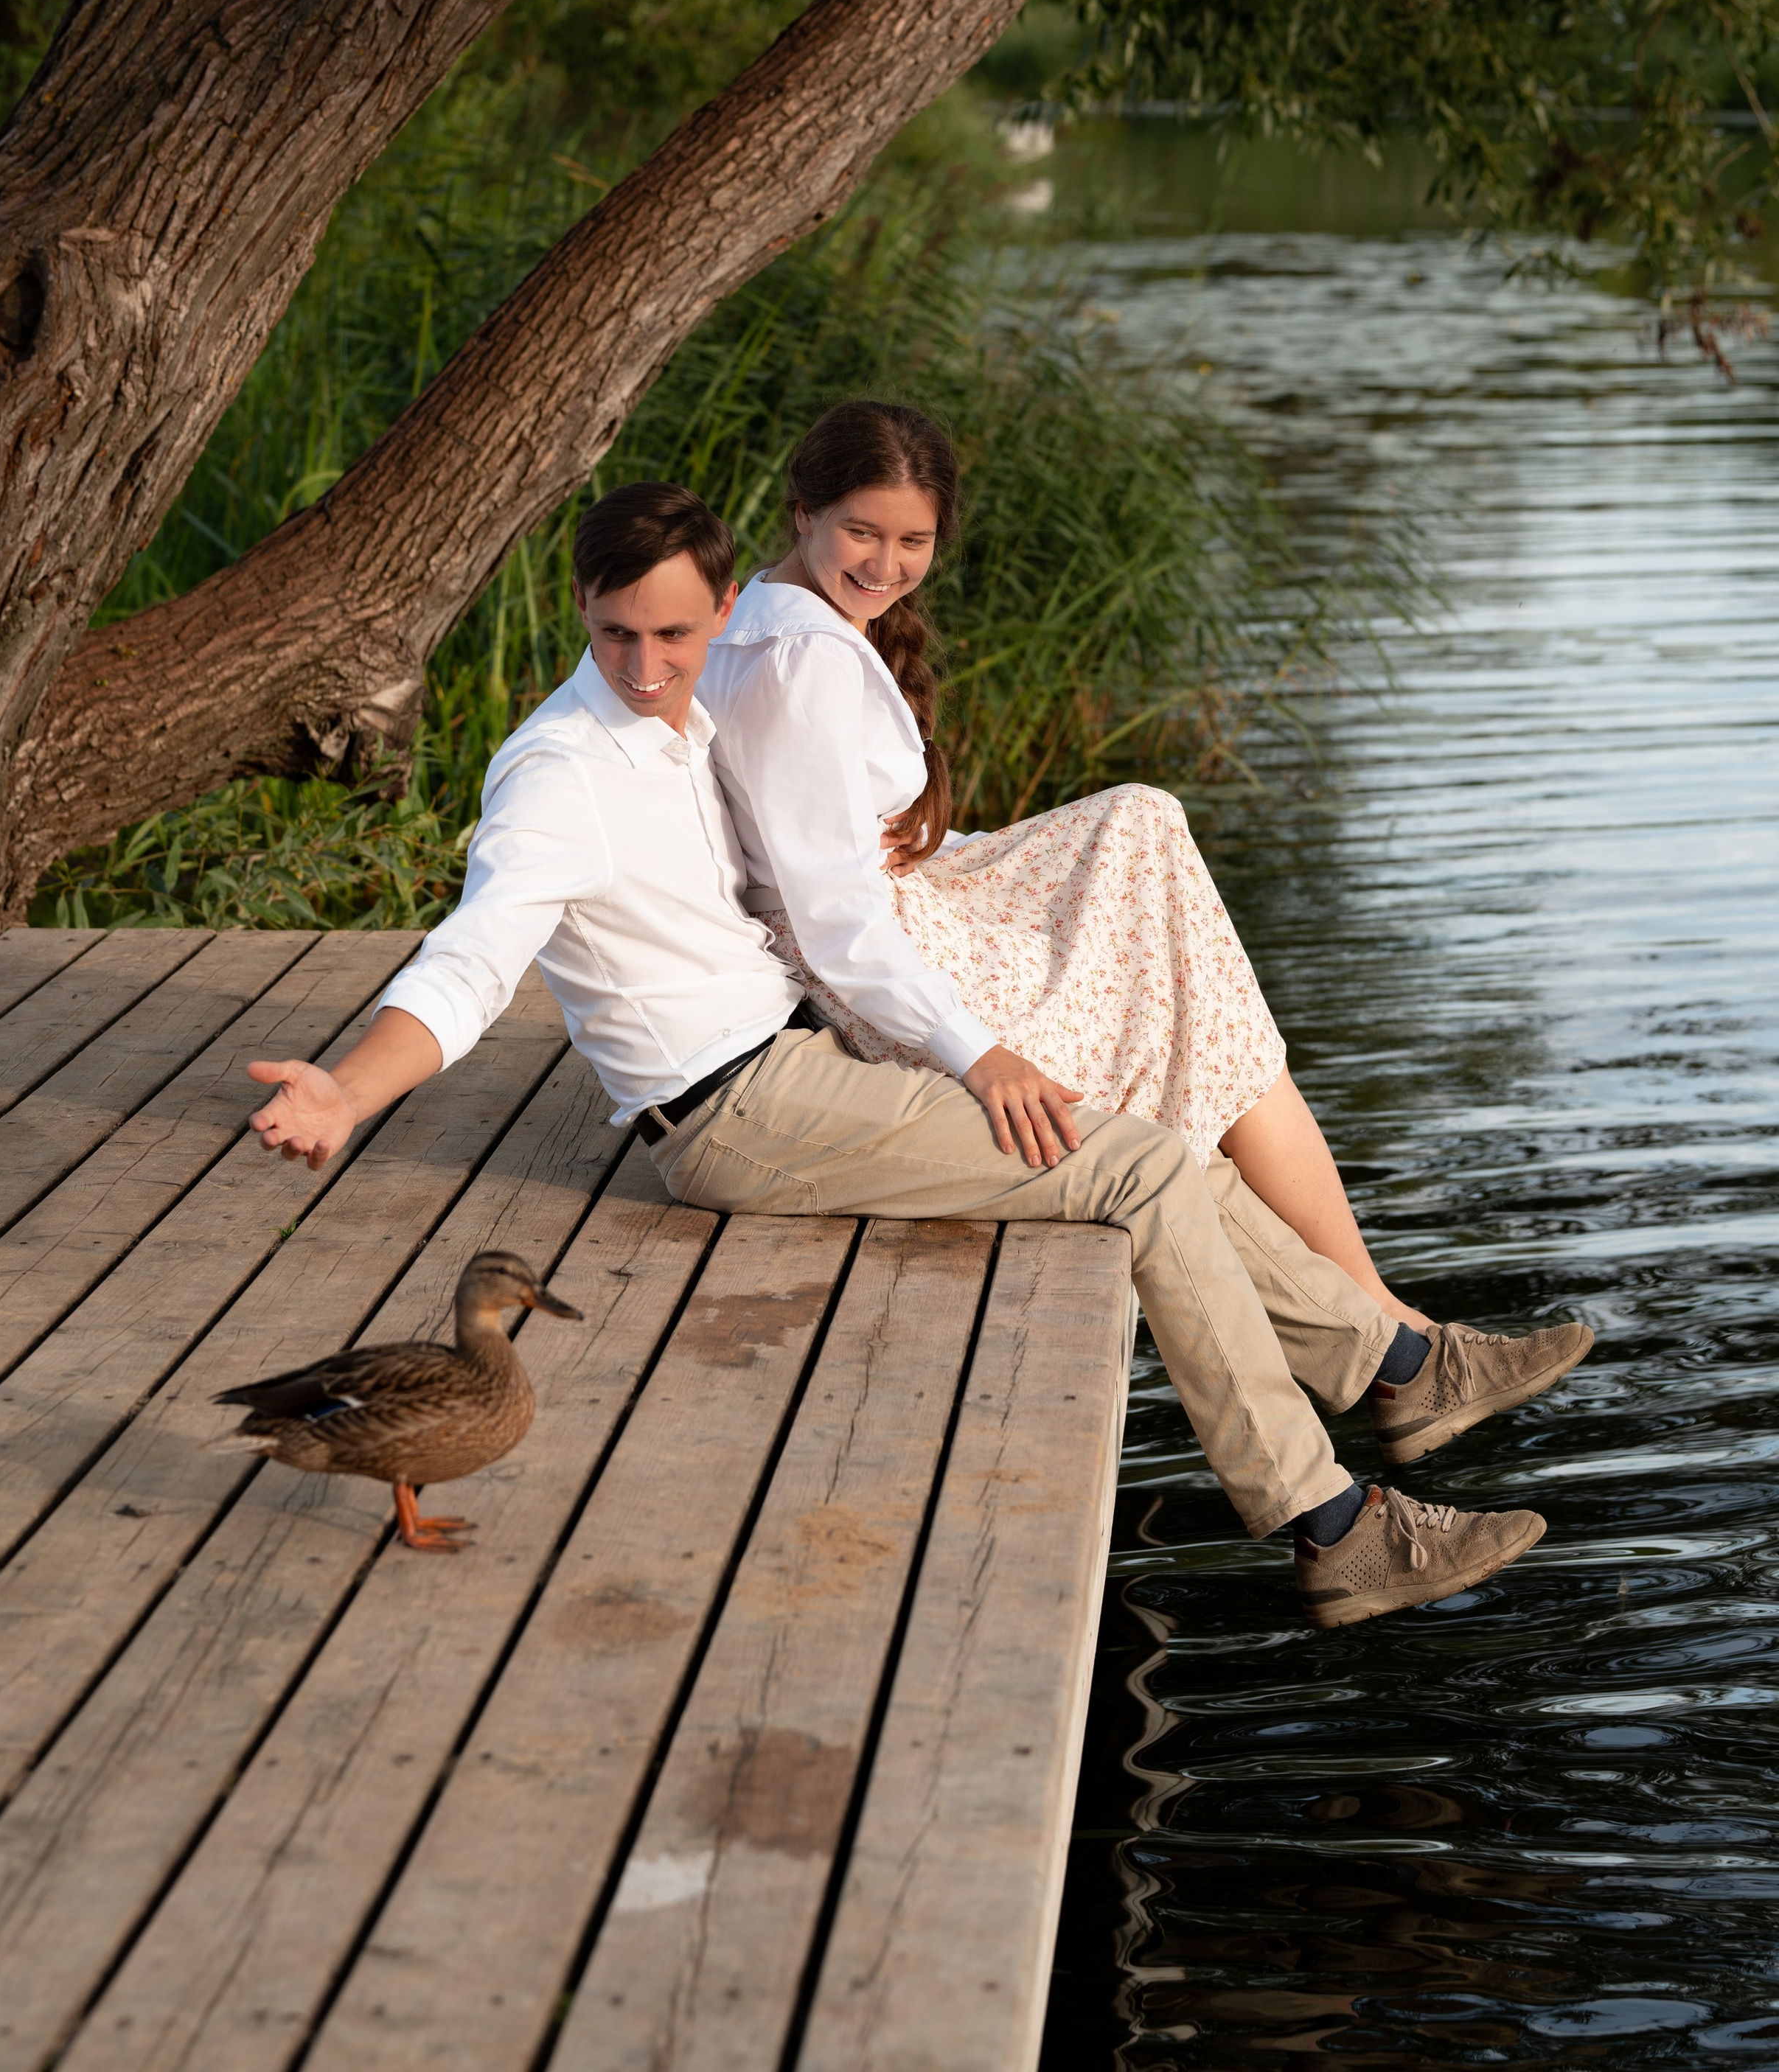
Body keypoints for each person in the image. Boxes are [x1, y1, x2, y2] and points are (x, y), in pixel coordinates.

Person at [247, 481, 1562, 1629]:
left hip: (793, 1064)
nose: (646, 663)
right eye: (614, 634)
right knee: (1141, 1176)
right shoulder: (556, 774)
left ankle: (1399, 1368)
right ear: (576, 610)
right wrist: (351, 1087)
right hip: (737, 1111)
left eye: (676, 633)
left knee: (1132, 1140)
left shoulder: (689, 716)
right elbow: (475, 956)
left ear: (730, 609)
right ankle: (1334, 1530)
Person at [701, 398, 1592, 1439]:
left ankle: (1399, 1348)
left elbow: (831, 843)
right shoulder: (806, 659)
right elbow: (840, 917)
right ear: (802, 512)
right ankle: (1399, 1339)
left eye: (914, 540)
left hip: (901, 911)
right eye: (862, 530)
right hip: (889, 972)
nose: (886, 563)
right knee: (1191, 989)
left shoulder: (764, 612)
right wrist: (977, 1052)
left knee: (1146, 839)